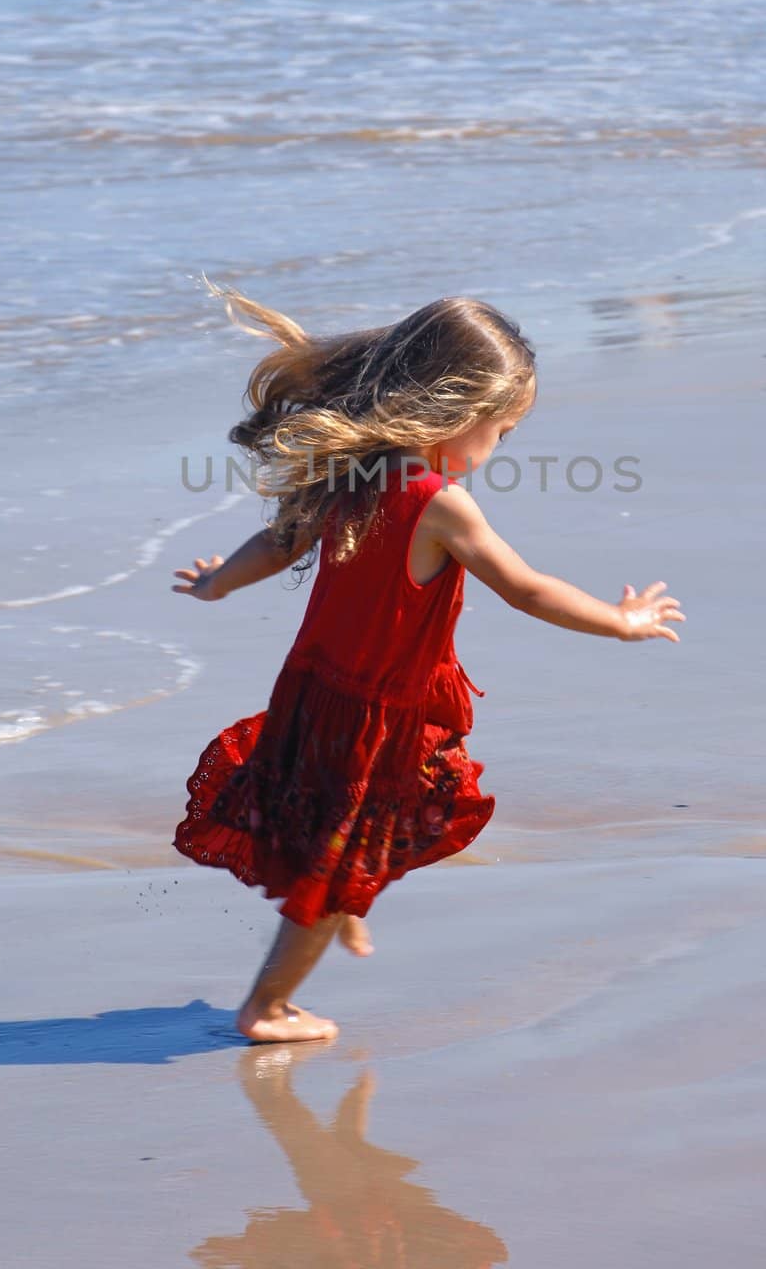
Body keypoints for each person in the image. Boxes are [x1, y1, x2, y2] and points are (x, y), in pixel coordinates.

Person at [171, 287, 684, 1044]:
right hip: (371, 713)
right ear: (457, 414)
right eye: (502, 431)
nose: (499, 449)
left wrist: (217, 584)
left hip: (317, 692)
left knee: (352, 835)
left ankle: (345, 901)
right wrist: (621, 622)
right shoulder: (438, 502)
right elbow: (526, 588)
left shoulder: (348, 472)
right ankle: (268, 1007)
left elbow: (277, 545)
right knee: (332, 867)